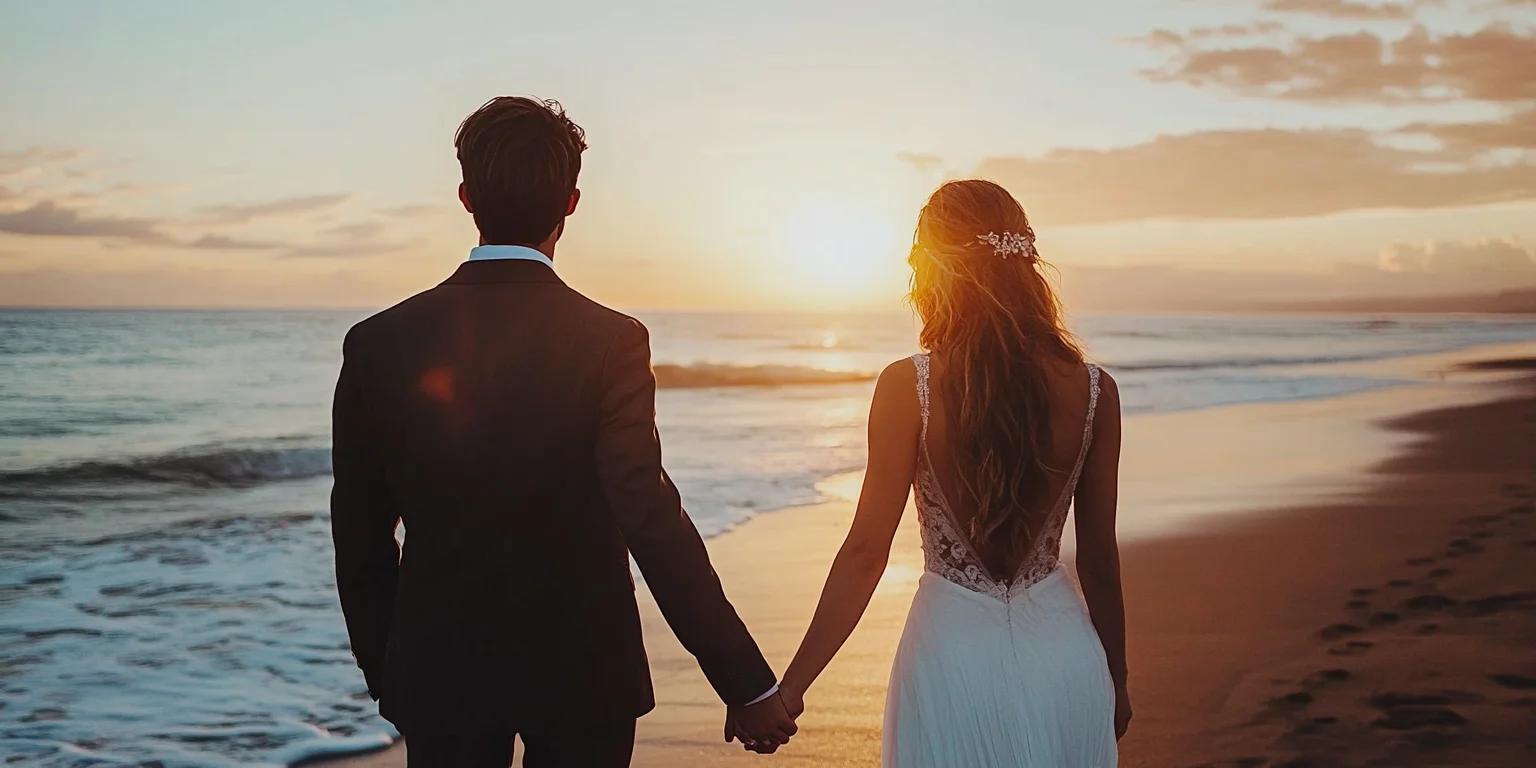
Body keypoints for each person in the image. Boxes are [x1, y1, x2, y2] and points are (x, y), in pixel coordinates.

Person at [329, 96, 797, 767]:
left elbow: (360, 531)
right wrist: (746, 682)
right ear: (571, 202)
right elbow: (649, 516)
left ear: (466, 198)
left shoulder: (378, 343)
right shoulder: (610, 342)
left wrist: (391, 673)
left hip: (439, 673)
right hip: (587, 673)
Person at [777, 180, 1129, 766]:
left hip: (950, 657)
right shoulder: (1095, 391)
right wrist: (1116, 677)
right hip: (1067, 656)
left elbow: (866, 554)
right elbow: (1098, 560)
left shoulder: (907, 387)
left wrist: (791, 689)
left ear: (936, 268)